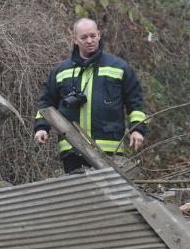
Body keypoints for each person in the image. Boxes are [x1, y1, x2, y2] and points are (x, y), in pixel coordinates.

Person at [33, 18, 147, 173]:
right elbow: (46, 103)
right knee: (80, 196)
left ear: (99, 35)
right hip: (72, 149)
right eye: (84, 37)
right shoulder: (60, 71)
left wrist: (137, 130)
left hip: (109, 149)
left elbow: (135, 103)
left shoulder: (119, 67)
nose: (89, 41)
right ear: (74, 39)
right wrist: (41, 128)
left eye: (93, 36)